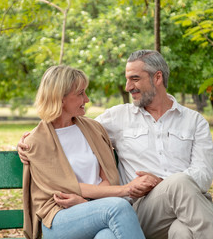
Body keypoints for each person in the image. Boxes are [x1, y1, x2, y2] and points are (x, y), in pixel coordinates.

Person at [19, 50, 213, 239]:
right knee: (176, 184)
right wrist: (24, 143)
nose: (128, 87)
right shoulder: (116, 118)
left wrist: (161, 183)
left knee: (181, 230)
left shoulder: (194, 121)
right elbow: (53, 136)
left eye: (135, 79)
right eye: (127, 79)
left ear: (157, 78)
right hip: (135, 210)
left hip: (185, 208)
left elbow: (203, 175)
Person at [22, 65, 145, 239]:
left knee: (107, 236)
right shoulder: (36, 142)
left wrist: (84, 202)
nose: (86, 99)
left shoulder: (94, 129)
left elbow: (107, 179)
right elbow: (65, 189)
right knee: (119, 207)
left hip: (97, 210)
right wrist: (125, 190)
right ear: (60, 98)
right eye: (80, 93)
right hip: (58, 218)